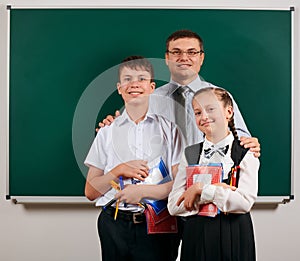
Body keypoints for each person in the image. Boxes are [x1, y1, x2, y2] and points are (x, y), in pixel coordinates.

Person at [98, 29, 260, 157]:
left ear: (201, 58)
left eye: (192, 52)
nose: (184, 57)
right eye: (176, 52)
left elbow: (241, 141)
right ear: (167, 58)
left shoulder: (220, 97)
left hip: (209, 184)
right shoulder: (146, 100)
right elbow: (125, 139)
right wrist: (111, 130)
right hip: (159, 189)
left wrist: (249, 145)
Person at [84, 56, 182, 261]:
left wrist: (144, 191)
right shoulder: (106, 132)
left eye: (141, 79)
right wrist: (118, 170)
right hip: (114, 224)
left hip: (158, 222)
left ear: (152, 86)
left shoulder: (170, 130)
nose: (134, 84)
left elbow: (180, 184)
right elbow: (91, 192)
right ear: (119, 88)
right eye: (127, 79)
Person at [168, 87, 259, 261]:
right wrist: (216, 191)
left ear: (229, 112)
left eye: (211, 109)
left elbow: (244, 202)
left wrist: (201, 190)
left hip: (233, 235)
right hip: (195, 235)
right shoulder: (189, 154)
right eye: (197, 112)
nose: (204, 117)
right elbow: (174, 206)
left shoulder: (247, 152)